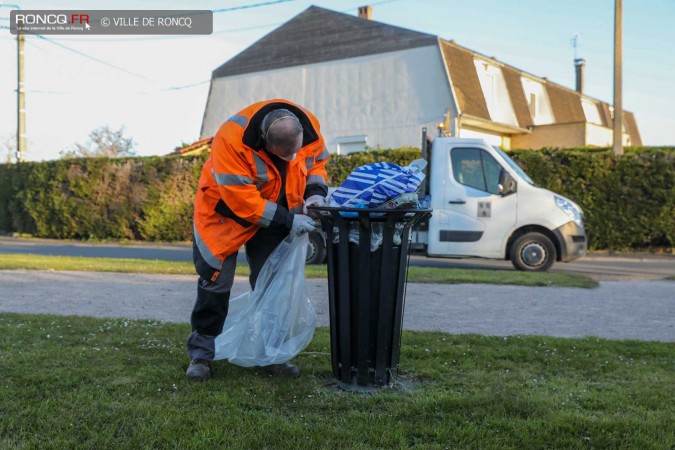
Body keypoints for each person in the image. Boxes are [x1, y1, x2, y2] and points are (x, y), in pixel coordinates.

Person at [186, 99, 330, 381]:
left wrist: (315, 192)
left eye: (294, 154)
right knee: (215, 282)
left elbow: (317, 164)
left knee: (274, 286)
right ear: (264, 141)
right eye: (283, 155)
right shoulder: (230, 140)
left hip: (276, 212)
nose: (291, 160)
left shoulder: (310, 127)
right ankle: (201, 355)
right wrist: (290, 220)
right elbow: (242, 200)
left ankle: (272, 355)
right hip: (223, 215)